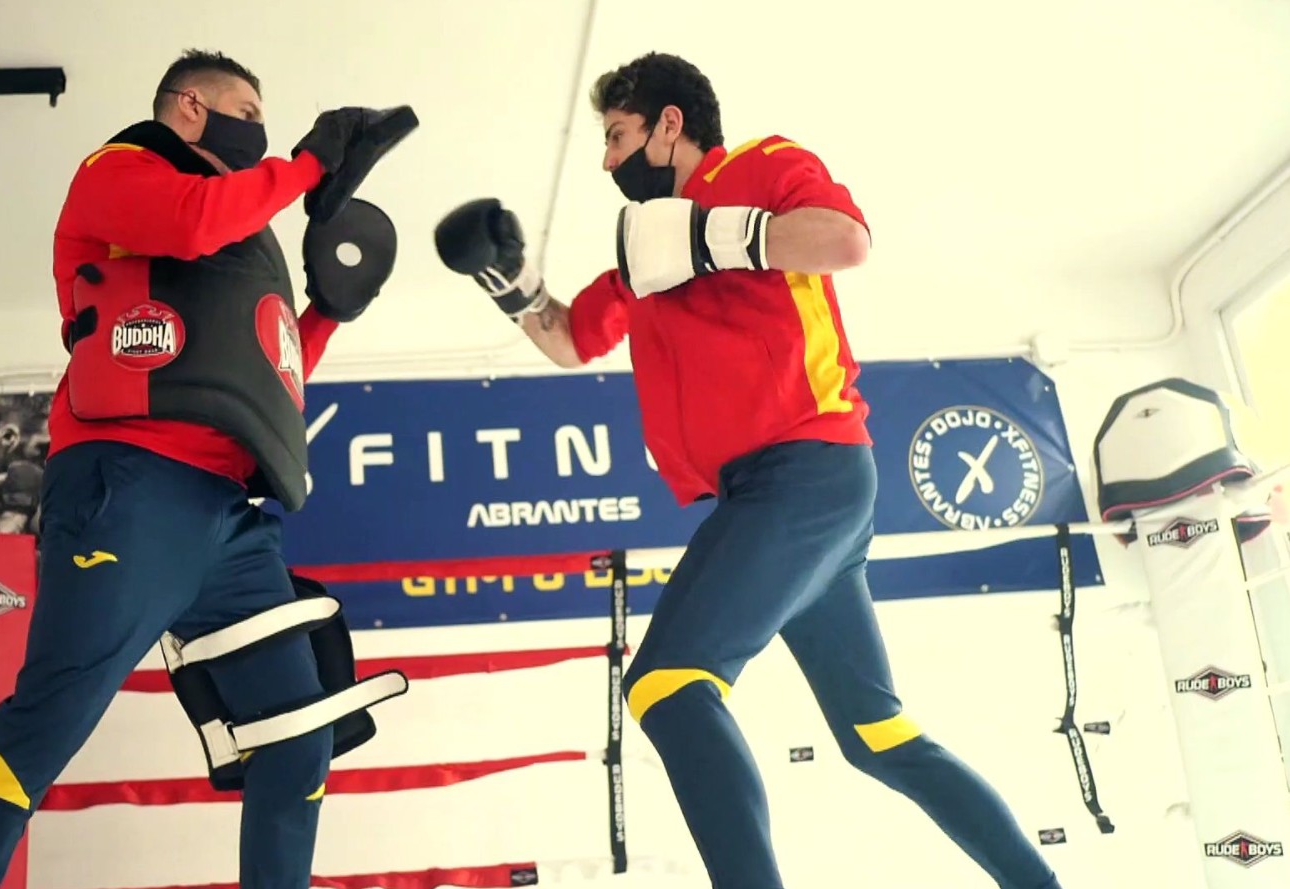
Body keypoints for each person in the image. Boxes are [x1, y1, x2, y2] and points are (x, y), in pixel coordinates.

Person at [435, 52, 1061, 889]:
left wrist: (707, 237)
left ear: (668, 124)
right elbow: (571, 338)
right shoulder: (644, 250)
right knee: (877, 735)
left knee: (666, 683)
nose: (606, 159)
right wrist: (509, 281)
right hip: (789, 492)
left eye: (616, 136)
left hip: (802, 470)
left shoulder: (760, 165)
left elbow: (844, 241)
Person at [0, 50, 410, 889]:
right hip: (129, 483)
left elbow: (269, 373)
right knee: (46, 724)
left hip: (233, 522)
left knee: (298, 735)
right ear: (189, 106)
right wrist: (307, 164)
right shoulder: (118, 173)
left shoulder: (243, 239)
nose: (258, 130)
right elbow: (190, 224)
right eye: (246, 112)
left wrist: (328, 312)